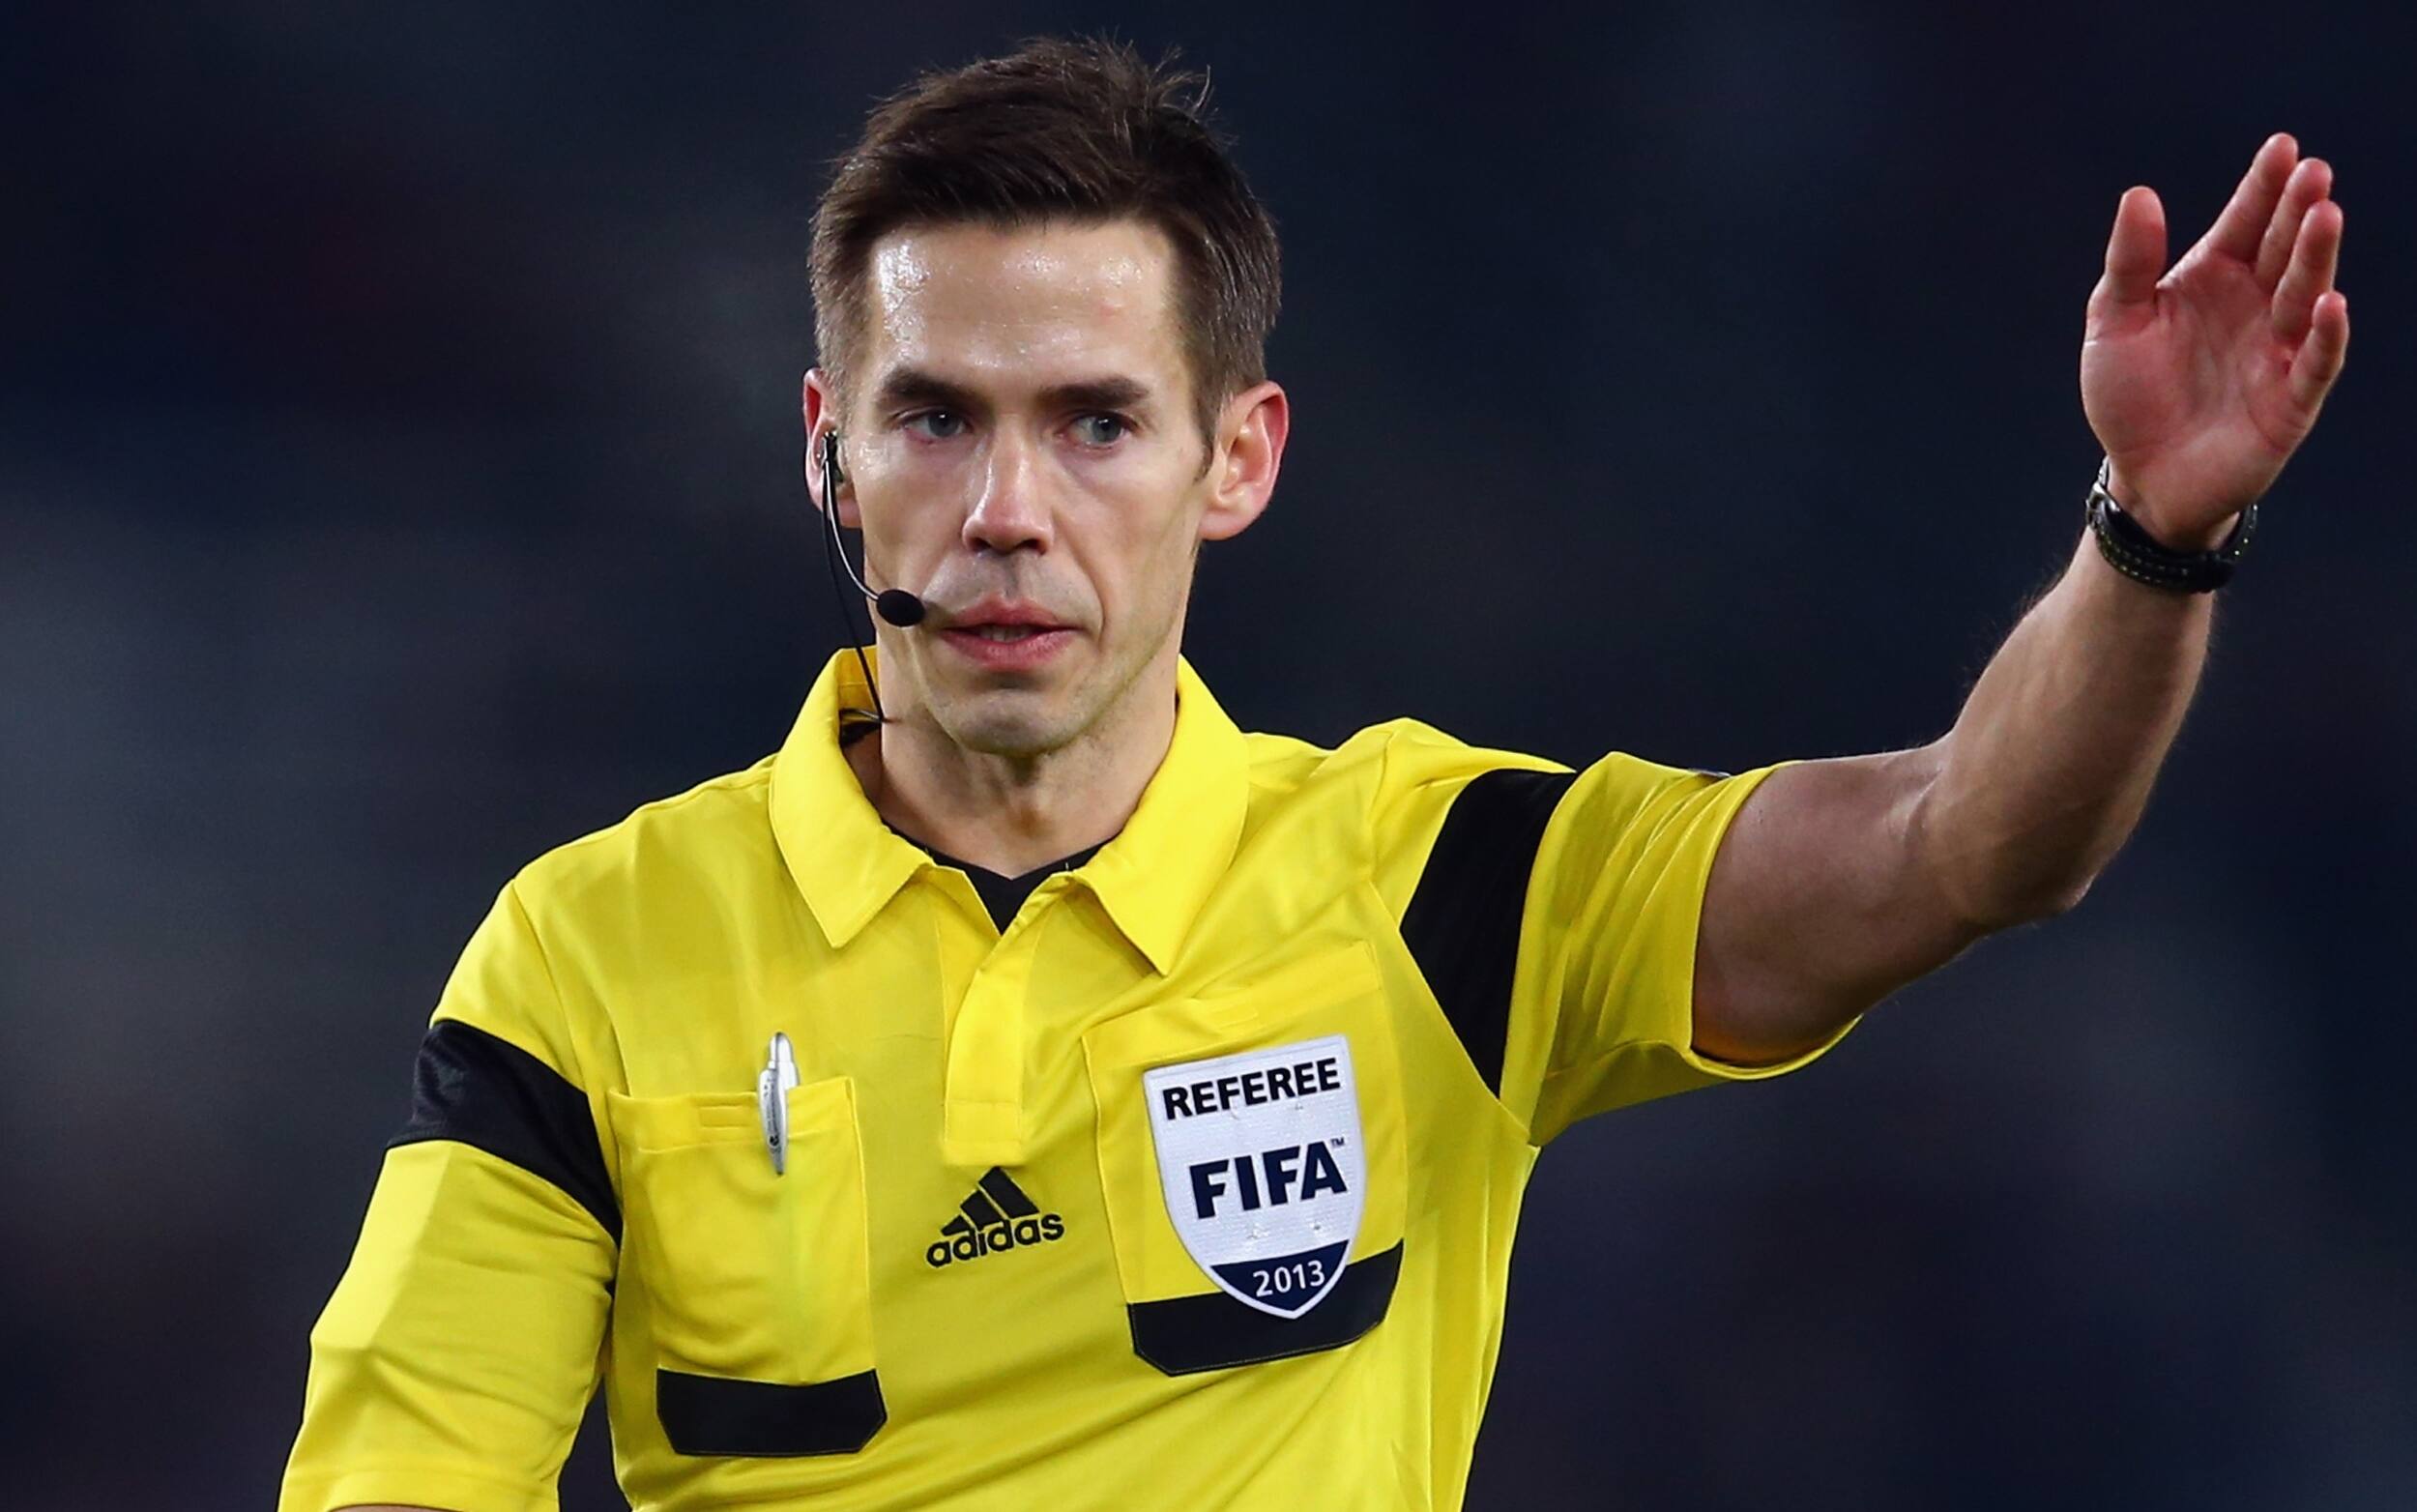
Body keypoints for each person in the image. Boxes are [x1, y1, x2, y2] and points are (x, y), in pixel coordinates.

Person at [277, 35, 2350, 1512]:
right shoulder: (591, 950)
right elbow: (405, 1468)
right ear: (826, 447)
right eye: (934, 421)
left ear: (1236, 456)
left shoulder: (1442, 882)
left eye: (1094, 420)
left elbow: (1964, 839)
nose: (1006, 509)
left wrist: (2149, 535)